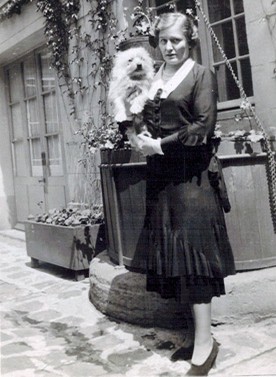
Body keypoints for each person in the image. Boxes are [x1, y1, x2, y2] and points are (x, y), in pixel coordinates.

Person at [125, 11, 236, 376]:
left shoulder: (202, 75)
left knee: (196, 260)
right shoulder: (154, 77)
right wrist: (137, 135)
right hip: (163, 181)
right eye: (164, 40)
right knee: (178, 262)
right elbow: (139, 115)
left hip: (191, 178)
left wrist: (161, 146)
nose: (170, 47)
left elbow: (203, 127)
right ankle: (196, 335)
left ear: (190, 41)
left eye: (177, 40)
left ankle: (206, 344)